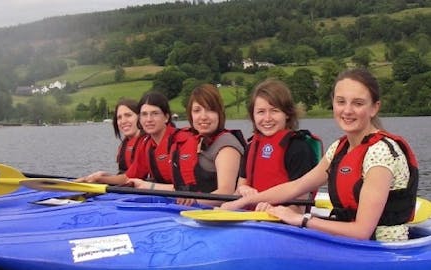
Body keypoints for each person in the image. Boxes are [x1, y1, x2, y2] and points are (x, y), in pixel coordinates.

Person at [221, 68, 419, 242]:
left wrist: (302, 219)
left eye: (358, 103)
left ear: (374, 108)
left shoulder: (381, 153)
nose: (347, 110)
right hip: (351, 244)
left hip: (382, 250)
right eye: (341, 102)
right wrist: (242, 202)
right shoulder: (339, 148)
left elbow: (361, 231)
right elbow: (296, 186)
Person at [129, 84, 245, 206]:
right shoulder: (195, 141)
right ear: (191, 114)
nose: (203, 116)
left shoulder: (226, 145)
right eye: (197, 111)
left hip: (217, 214)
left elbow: (225, 193)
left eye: (210, 109)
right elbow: (181, 188)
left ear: (219, 113)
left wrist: (193, 201)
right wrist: (145, 185)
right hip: (194, 209)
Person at [233, 79, 321, 213]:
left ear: (287, 114)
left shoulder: (298, 148)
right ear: (253, 116)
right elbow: (237, 192)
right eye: (261, 112)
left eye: (274, 111)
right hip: (251, 220)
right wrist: (242, 190)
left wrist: (273, 211)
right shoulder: (251, 147)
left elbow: (299, 208)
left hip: (281, 225)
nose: (267, 118)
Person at [81, 90, 178, 186]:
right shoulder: (146, 145)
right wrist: (100, 178)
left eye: (128, 115)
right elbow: (129, 177)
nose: (149, 119)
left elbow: (188, 187)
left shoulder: (179, 141)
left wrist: (149, 186)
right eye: (119, 117)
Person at [79, 98, 143, 182]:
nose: (123, 121)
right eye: (119, 117)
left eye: (128, 115)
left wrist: (100, 179)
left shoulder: (146, 144)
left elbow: (131, 178)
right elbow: (125, 174)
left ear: (140, 117)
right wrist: (105, 175)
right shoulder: (124, 145)